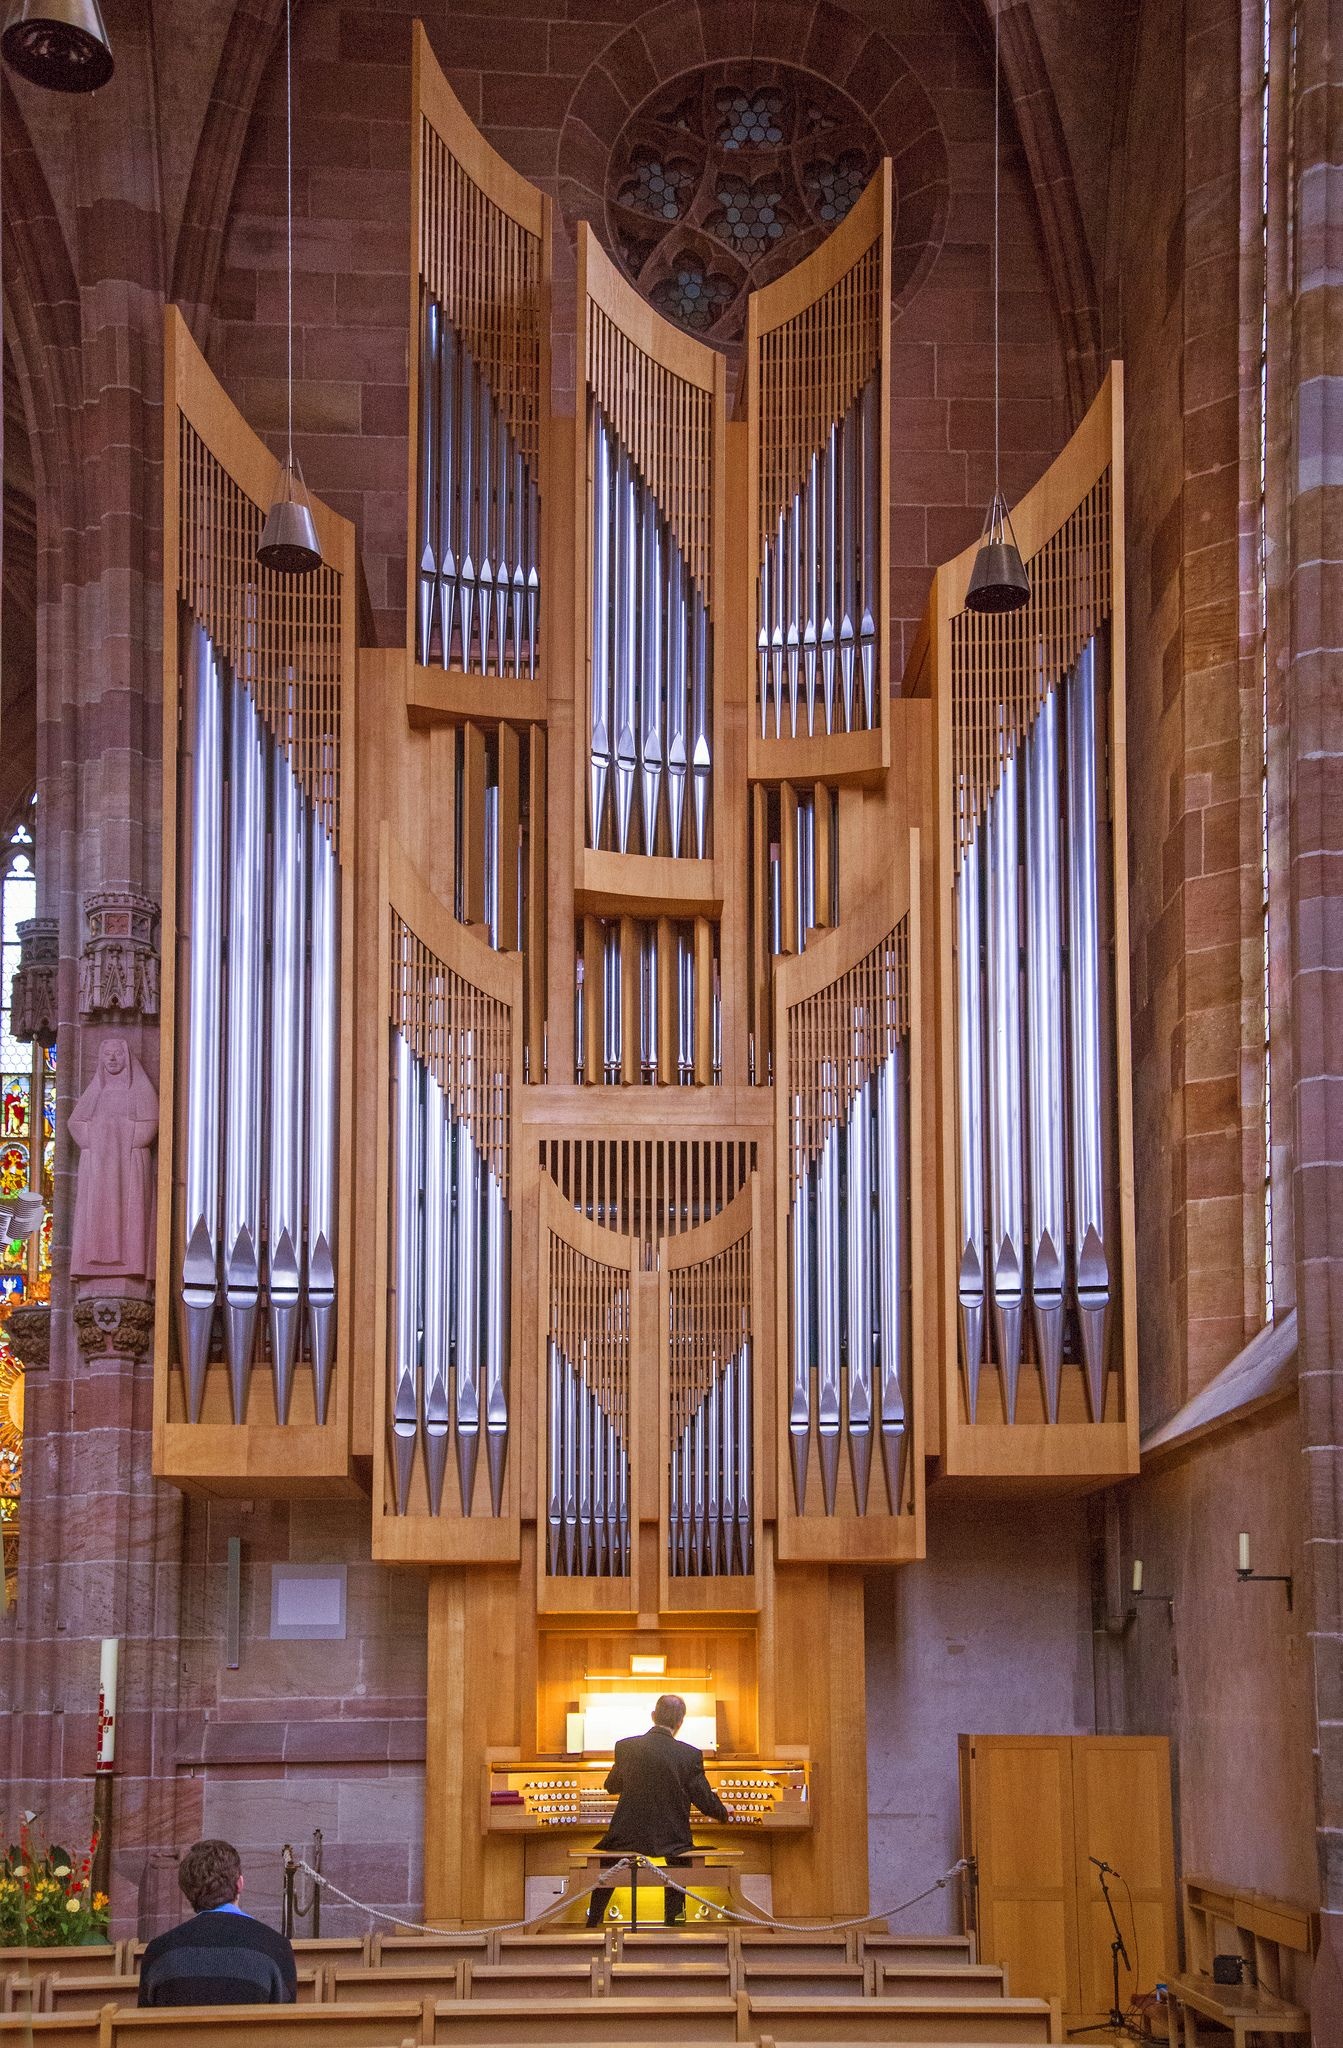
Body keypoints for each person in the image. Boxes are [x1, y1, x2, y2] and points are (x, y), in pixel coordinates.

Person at [586, 1693, 729, 1927]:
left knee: (607, 1860)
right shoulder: (689, 1755)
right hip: (671, 1837)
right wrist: (724, 1812)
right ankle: (674, 1922)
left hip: (628, 1835)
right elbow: (703, 1799)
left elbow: (611, 1786)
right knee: (680, 1859)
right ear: (680, 1722)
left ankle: (593, 1922)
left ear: (653, 1716)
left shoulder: (626, 1747)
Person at [138, 1840, 297, 2006]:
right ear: (240, 1884)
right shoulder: (276, 1947)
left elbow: (142, 2028)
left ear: (187, 1891)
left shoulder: (159, 1951)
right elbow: (286, 2025)